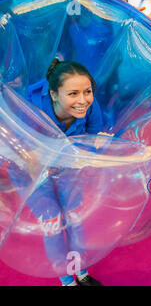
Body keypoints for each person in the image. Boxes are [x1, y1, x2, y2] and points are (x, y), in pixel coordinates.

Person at [24, 58, 104, 286]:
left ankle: (81, 271)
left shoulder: (89, 105)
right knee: (53, 225)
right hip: (33, 173)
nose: (82, 101)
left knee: (76, 220)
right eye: (73, 94)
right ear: (53, 95)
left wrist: (86, 156)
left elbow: (93, 136)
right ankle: (67, 280)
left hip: (69, 167)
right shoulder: (31, 106)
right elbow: (24, 154)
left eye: (87, 91)